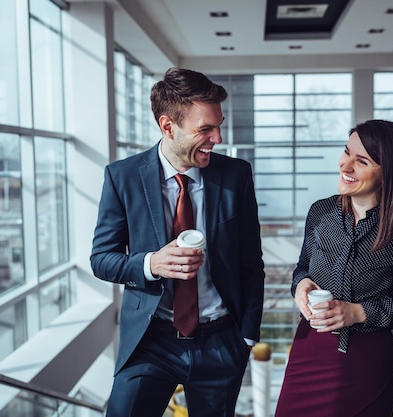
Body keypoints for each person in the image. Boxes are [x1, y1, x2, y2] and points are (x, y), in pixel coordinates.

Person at [90, 67, 265, 417]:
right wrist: (151, 264)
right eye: (205, 129)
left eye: (219, 125)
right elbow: (101, 259)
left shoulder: (236, 175)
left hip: (221, 341)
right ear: (168, 126)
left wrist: (246, 338)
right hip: (151, 340)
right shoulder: (122, 177)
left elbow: (251, 262)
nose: (217, 138)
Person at [274, 119, 393, 417]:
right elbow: (302, 268)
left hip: (366, 359)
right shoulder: (320, 212)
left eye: (361, 161)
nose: (345, 166)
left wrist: (358, 312)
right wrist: (301, 286)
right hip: (310, 348)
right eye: (347, 153)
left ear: (388, 173)